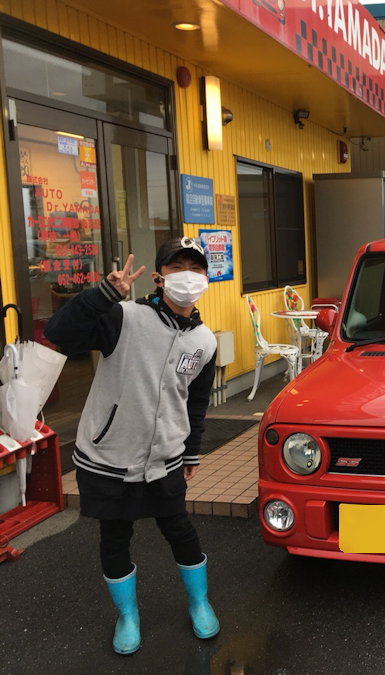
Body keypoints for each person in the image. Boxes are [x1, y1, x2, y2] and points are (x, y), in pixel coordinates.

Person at [44, 237, 220, 655]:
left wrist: (192, 450)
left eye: (196, 269)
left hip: (165, 457)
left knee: (179, 528)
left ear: (206, 279)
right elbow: (58, 333)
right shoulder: (123, 316)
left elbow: (195, 401)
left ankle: (199, 602)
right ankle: (128, 616)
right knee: (114, 535)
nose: (187, 278)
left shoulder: (205, 341)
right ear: (160, 278)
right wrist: (105, 294)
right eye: (177, 268)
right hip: (108, 455)